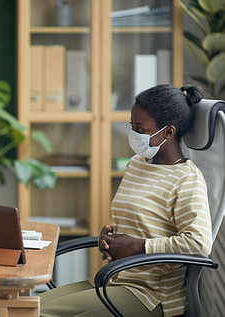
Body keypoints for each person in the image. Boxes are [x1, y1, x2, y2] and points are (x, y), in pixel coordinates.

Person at [40, 84, 213, 317]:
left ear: (168, 132)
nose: (133, 133)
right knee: (26, 307)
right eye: (132, 125)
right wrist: (110, 240)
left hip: (151, 294)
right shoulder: (136, 164)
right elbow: (138, 223)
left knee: (39, 313)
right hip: (115, 277)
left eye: (140, 128)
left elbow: (199, 244)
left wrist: (136, 247)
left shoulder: (186, 179)